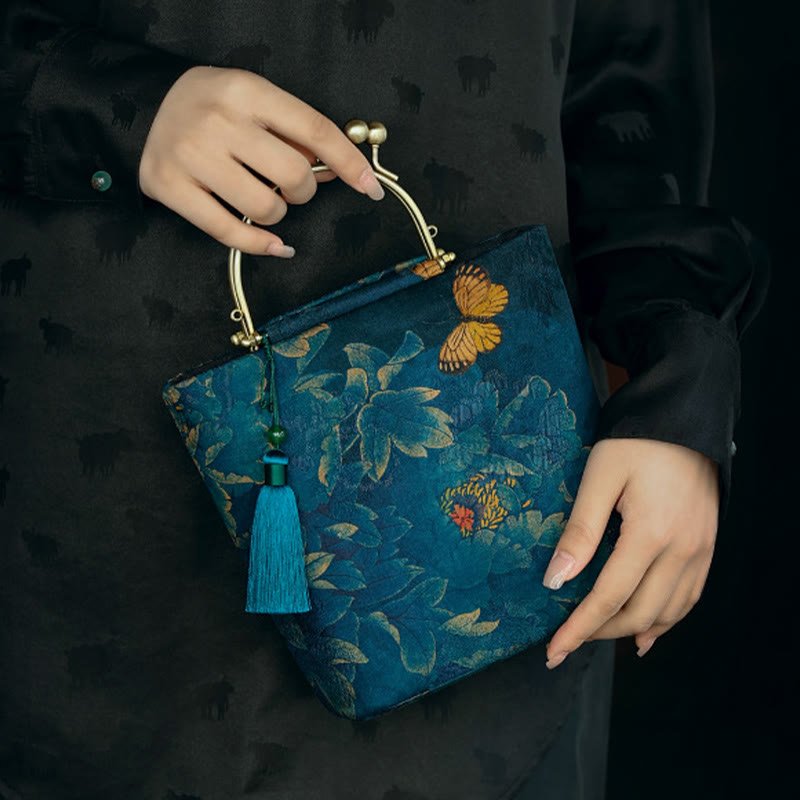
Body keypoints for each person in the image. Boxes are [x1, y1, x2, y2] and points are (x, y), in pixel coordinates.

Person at [0, 1, 769, 798]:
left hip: (518, 596)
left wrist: (678, 380)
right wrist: (107, 101)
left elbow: (627, 87)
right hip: (112, 561)